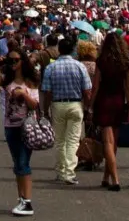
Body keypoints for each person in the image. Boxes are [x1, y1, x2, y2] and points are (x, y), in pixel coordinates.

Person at [42, 34, 93, 185]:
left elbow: (47, 92)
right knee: (72, 141)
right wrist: (88, 107)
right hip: (76, 104)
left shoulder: (51, 67)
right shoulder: (79, 66)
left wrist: (45, 110)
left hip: (57, 104)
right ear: (73, 50)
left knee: (59, 141)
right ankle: (69, 173)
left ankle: (60, 171)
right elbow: (87, 90)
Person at [1, 52, 42, 217]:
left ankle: (28, 202)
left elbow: (35, 105)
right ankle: (21, 198)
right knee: (17, 162)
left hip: (26, 126)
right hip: (10, 126)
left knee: (23, 162)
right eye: (10, 60)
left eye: (16, 60)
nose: (12, 62)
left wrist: (24, 94)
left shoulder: (30, 82)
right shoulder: (7, 80)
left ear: (22, 62)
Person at [93, 32, 129, 191]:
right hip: (118, 101)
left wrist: (90, 104)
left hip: (104, 100)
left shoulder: (102, 61)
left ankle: (115, 179)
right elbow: (128, 88)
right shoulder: (126, 62)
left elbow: (95, 86)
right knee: (114, 141)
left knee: (107, 141)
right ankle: (106, 176)